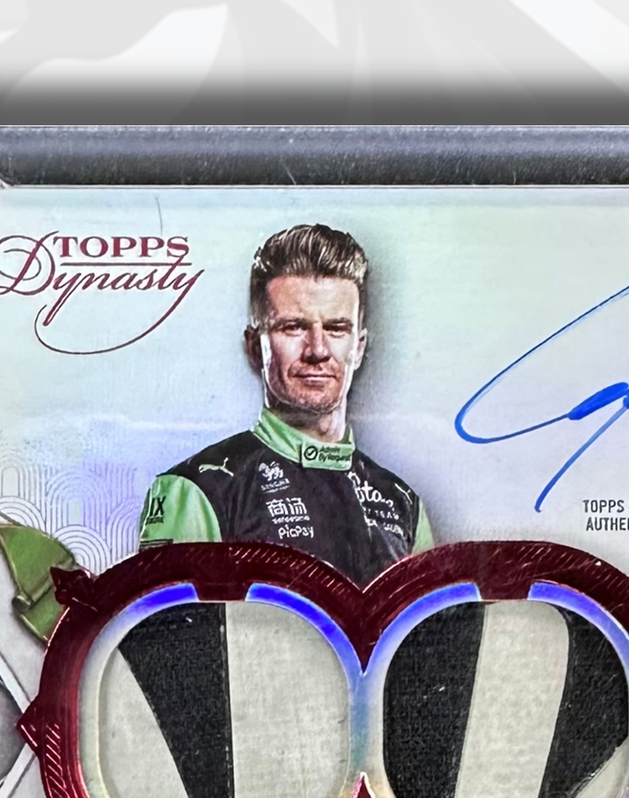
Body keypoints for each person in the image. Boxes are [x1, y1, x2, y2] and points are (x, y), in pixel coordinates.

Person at [138, 223, 434, 579]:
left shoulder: (403, 503)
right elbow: (169, 618)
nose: (318, 350)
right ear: (254, 347)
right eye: (293, 327)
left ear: (358, 348)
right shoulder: (199, 490)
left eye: (336, 329)